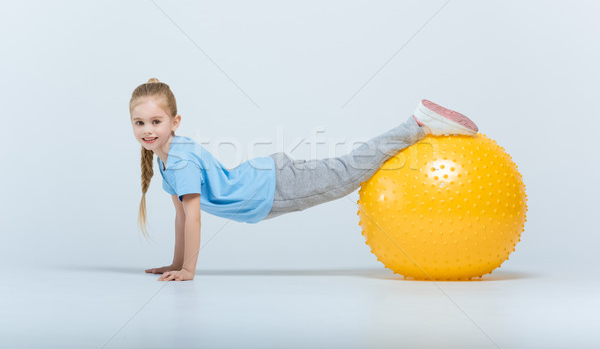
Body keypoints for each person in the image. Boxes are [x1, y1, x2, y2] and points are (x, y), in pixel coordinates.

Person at [129, 78, 479, 281]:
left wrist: (189, 270)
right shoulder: (168, 159)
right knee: (347, 170)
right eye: (139, 123)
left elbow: (193, 215)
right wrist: (176, 264)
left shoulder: (180, 160)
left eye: (156, 122)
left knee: (347, 172)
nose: (147, 130)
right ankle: (416, 126)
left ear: (175, 122)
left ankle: (417, 124)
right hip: (268, 180)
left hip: (273, 188)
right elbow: (180, 215)